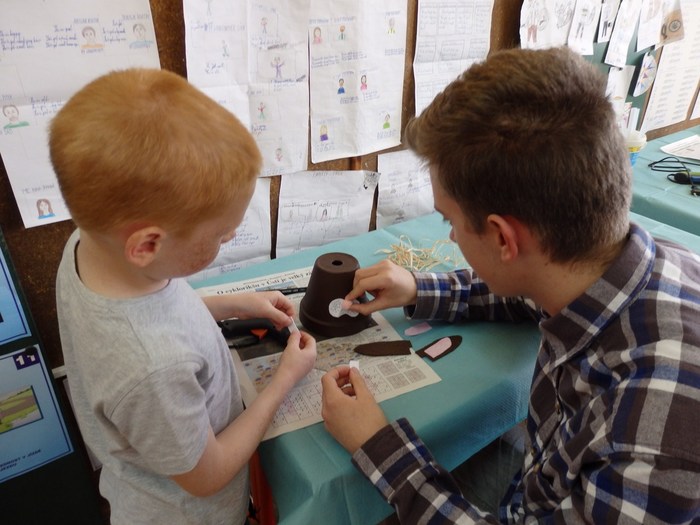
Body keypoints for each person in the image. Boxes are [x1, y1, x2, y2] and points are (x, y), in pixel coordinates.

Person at [321, 46, 700, 523]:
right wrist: (419, 288)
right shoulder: (612, 260)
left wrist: (381, 448)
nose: (452, 237)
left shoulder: (651, 431)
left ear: (503, 237)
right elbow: (528, 290)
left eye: (449, 221)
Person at [49, 68, 317, 525]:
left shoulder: (90, 243)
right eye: (222, 234)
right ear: (147, 245)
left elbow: (157, 312)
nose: (230, 237)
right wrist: (284, 380)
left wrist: (233, 303)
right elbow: (206, 476)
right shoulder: (153, 369)